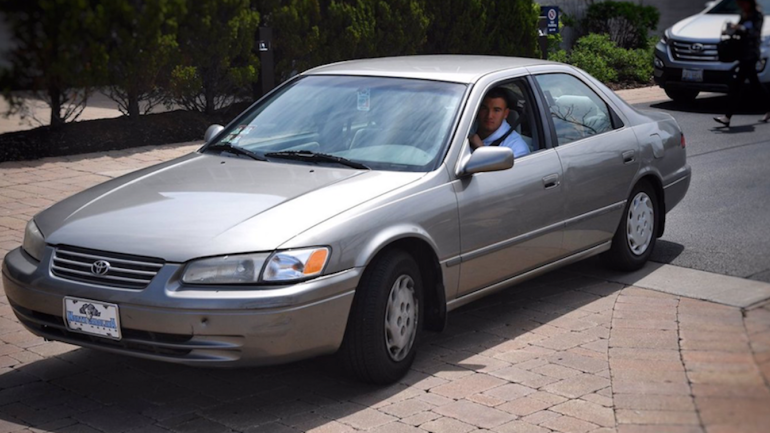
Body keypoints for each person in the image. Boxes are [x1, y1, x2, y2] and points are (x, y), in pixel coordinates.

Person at [714, 0, 770, 127]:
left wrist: (741, 28)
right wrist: (731, 30)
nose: (742, 6)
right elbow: (739, 31)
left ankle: (727, 116)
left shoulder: (757, 15)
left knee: (737, 84)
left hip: (751, 55)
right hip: (743, 54)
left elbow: (754, 33)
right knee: (755, 85)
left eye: (743, 3)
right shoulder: (744, 14)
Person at [470, 88, 530, 157]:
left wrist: (480, 150)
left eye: (496, 110)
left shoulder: (515, 148)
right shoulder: (465, 127)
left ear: (506, 113)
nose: (489, 116)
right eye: (484, 108)